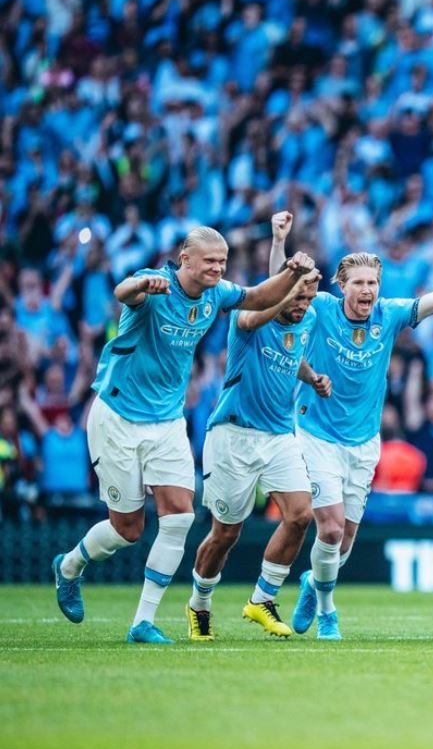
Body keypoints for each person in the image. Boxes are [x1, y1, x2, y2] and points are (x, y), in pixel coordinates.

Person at [51, 226, 318, 644]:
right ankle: (68, 567)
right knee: (128, 530)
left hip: (168, 421)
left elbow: (257, 297)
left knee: (179, 516)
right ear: (185, 258)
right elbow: (125, 292)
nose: (216, 268)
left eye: (222, 261)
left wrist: (290, 272)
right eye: (209, 260)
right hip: (118, 415)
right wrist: (141, 283)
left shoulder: (218, 293)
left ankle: (143, 622)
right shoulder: (155, 284)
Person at [269, 211, 433, 640]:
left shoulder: (388, 316)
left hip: (364, 441)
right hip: (316, 434)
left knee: (347, 539)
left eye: (373, 283)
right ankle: (327, 611)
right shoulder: (319, 309)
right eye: (359, 283)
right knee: (331, 528)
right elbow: (278, 292)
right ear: (342, 286)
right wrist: (279, 242)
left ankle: (311, 583)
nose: (367, 290)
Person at [186, 258, 332, 641]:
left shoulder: (308, 319)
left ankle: (262, 599)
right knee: (225, 534)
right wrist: (283, 279)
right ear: (283, 290)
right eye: (299, 296)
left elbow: (293, 351)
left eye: (310, 298)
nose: (303, 305)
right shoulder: (251, 316)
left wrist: (312, 376)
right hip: (233, 434)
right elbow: (250, 320)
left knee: (301, 515)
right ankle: (199, 604)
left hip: (280, 434)